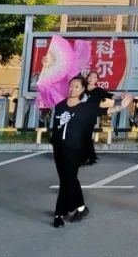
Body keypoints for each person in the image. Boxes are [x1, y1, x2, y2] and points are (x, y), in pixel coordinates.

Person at [50, 76, 131, 228]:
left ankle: (58, 214)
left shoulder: (86, 108)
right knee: (68, 180)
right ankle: (80, 207)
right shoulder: (60, 106)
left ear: (82, 89)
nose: (72, 89)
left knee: (67, 181)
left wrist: (121, 106)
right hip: (59, 149)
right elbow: (56, 127)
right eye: (71, 86)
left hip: (74, 150)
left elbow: (105, 110)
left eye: (76, 87)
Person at [80, 71, 113, 166]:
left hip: (90, 117)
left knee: (86, 137)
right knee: (82, 137)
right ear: (87, 77)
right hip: (79, 116)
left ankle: (86, 158)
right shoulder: (82, 88)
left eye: (94, 77)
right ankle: (92, 157)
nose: (91, 78)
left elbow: (110, 96)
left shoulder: (99, 91)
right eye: (90, 76)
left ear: (97, 80)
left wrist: (121, 97)